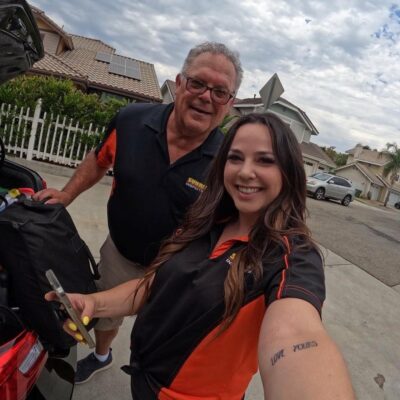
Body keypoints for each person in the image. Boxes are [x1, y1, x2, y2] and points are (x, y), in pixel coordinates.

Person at [47, 113, 356, 399]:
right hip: (144, 382)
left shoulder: (291, 255)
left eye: (264, 160)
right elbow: (154, 287)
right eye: (235, 158)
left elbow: (296, 336)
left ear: (288, 172)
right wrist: (93, 304)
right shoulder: (205, 223)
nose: (246, 171)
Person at [34, 41, 243, 384]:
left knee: (158, 336)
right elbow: (99, 159)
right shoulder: (131, 122)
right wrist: (67, 193)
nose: (207, 97)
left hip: (175, 275)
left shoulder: (230, 163)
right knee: (103, 316)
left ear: (230, 104)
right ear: (179, 83)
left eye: (220, 91)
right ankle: (102, 355)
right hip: (122, 253)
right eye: (198, 83)